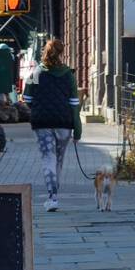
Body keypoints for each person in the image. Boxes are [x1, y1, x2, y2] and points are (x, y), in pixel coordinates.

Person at [22, 39, 81, 212]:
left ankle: (52, 197)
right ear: (61, 53)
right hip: (64, 123)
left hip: (42, 123)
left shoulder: (36, 72)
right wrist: (77, 130)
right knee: (59, 160)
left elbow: (27, 99)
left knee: (48, 158)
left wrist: (39, 109)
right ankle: (55, 194)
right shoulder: (68, 75)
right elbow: (74, 104)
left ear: (44, 53)